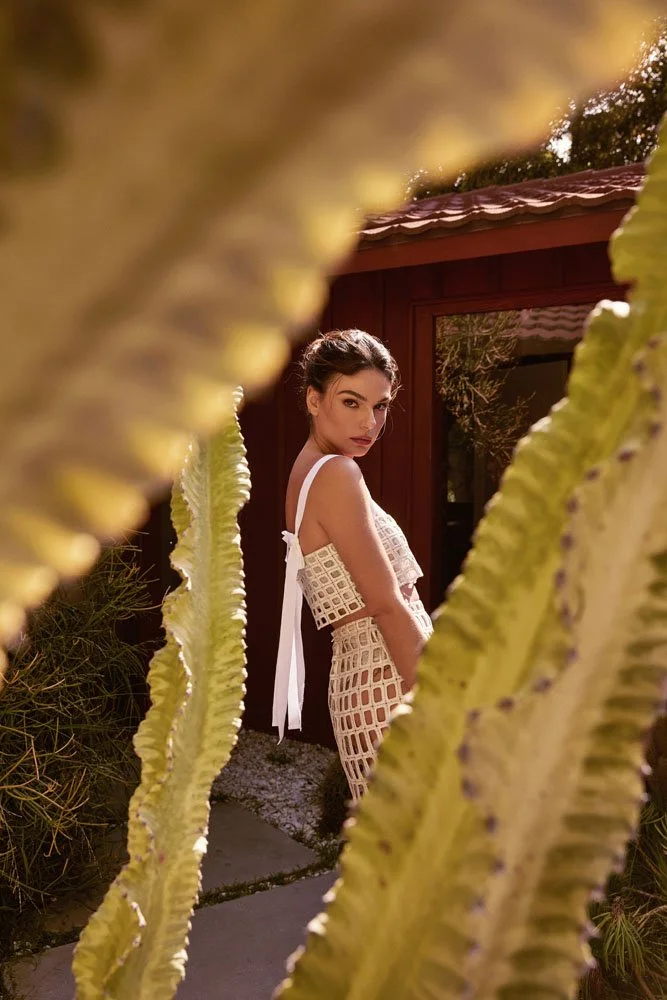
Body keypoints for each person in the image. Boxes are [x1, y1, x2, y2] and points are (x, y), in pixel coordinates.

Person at [272, 329, 433, 801]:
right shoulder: (336, 473)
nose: (370, 421)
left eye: (380, 405)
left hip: (366, 678)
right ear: (313, 399)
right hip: (390, 680)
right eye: (351, 402)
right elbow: (385, 603)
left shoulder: (307, 471)